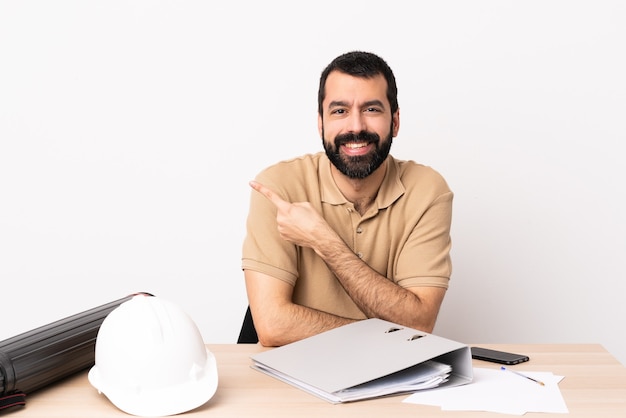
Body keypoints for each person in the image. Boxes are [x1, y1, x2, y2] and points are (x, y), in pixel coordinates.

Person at [242, 51, 453, 347]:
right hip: (290, 375)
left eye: (371, 110)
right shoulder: (279, 187)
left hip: (386, 374)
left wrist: (323, 240)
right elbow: (272, 326)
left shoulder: (427, 190)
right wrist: (388, 335)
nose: (355, 126)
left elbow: (419, 324)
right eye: (340, 111)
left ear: (394, 122)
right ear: (321, 123)